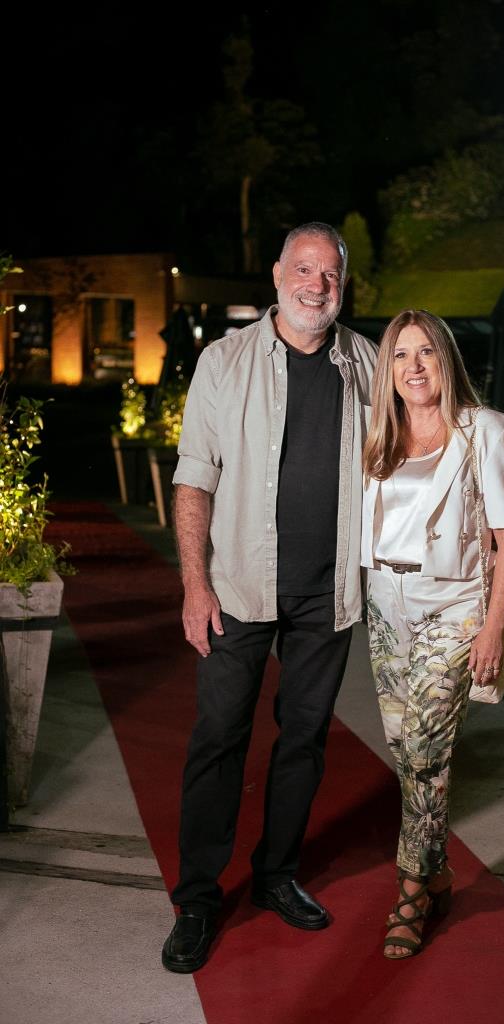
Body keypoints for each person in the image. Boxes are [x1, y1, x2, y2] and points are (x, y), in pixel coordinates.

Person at [162, 222, 377, 973]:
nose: (317, 286)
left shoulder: (368, 362)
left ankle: (276, 874)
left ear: (342, 286)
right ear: (279, 275)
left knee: (304, 739)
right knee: (219, 737)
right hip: (236, 588)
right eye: (305, 270)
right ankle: (197, 899)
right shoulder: (223, 362)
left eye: (331, 274)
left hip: (328, 593)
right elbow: (194, 476)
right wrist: (194, 583)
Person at [361, 309, 504, 959]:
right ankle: (436, 872)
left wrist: (492, 627)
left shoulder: (486, 431)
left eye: (426, 352)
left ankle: (409, 894)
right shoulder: (377, 434)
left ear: (446, 359)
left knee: (426, 750)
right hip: (385, 606)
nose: (414, 366)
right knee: (404, 752)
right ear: (388, 369)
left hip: (452, 608)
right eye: (401, 355)